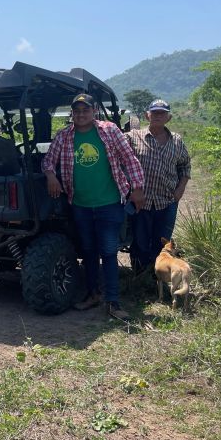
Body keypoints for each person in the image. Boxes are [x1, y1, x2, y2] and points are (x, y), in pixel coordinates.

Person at [42, 93, 145, 319]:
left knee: (108, 252)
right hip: (80, 205)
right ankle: (93, 294)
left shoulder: (109, 131)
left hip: (109, 203)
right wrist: (51, 176)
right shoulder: (64, 136)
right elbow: (48, 160)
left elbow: (129, 159)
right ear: (72, 113)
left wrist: (137, 188)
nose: (81, 114)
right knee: (88, 251)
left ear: (94, 111)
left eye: (85, 110)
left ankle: (113, 302)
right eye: (77, 111)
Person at [126, 99, 191, 275]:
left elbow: (185, 165)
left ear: (168, 118)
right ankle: (139, 277)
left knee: (162, 242)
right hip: (141, 201)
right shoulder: (133, 137)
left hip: (167, 200)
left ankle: (158, 277)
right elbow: (119, 159)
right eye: (154, 113)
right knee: (140, 241)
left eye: (162, 113)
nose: (157, 116)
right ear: (147, 115)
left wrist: (180, 189)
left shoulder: (177, 140)